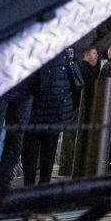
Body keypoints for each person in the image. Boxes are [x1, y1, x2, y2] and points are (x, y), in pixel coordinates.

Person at [21, 50, 76, 184]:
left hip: (34, 113)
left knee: (30, 157)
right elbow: (68, 86)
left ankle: (29, 190)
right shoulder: (64, 57)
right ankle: (43, 191)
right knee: (47, 158)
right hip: (54, 113)